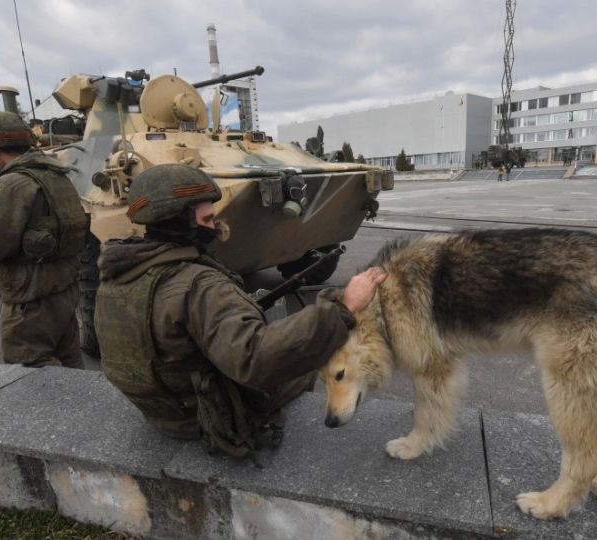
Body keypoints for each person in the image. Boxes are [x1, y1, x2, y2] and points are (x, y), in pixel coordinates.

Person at [94, 164, 387, 458]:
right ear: (182, 221)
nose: (214, 227)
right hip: (205, 417)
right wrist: (343, 308)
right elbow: (256, 358)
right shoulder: (198, 287)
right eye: (207, 219)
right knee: (303, 362)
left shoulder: (123, 272)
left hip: (163, 412)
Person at [0, 111, 88, 369]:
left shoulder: (13, 184)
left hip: (31, 299)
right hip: (63, 289)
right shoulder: (57, 175)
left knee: (31, 371)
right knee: (70, 364)